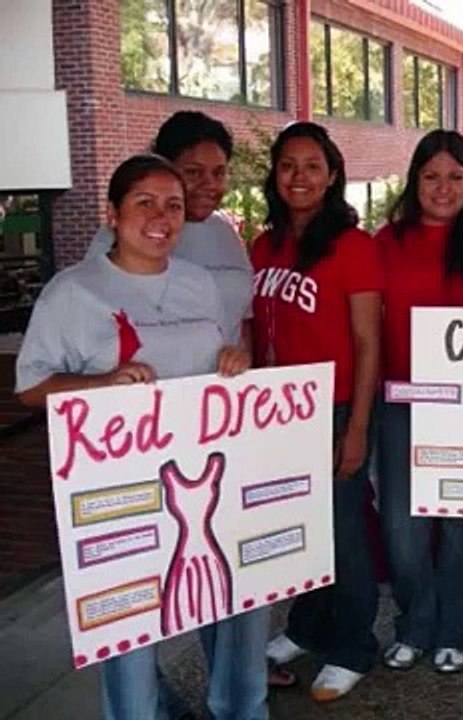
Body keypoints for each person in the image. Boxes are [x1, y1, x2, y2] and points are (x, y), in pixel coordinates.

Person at [16, 154, 260, 719]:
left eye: (173, 205)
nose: (161, 217)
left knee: (233, 602)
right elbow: (31, 387)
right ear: (113, 213)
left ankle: (243, 710)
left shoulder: (200, 285)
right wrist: (101, 383)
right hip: (124, 494)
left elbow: (221, 359)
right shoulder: (73, 291)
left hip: (208, 478)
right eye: (144, 202)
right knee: (131, 630)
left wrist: (234, 358)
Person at [252, 121, 382, 702]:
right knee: (301, 528)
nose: (298, 176)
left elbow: (367, 342)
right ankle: (306, 628)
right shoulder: (265, 243)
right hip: (277, 414)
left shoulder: (354, 247)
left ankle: (354, 644)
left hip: (332, 409)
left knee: (344, 532)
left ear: (332, 175)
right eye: (287, 165)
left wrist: (356, 426)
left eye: (311, 166)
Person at [375, 129, 463, 674]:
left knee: (459, 522)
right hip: (400, 399)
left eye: (455, 176)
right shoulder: (385, 241)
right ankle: (414, 625)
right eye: (431, 176)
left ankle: (456, 630)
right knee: (402, 527)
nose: (443, 187)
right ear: (414, 181)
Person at [86, 110, 254, 348]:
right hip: (151, 382)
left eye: (219, 173)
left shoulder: (225, 232)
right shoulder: (122, 235)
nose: (211, 185)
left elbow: (243, 322)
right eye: (194, 172)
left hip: (226, 382)